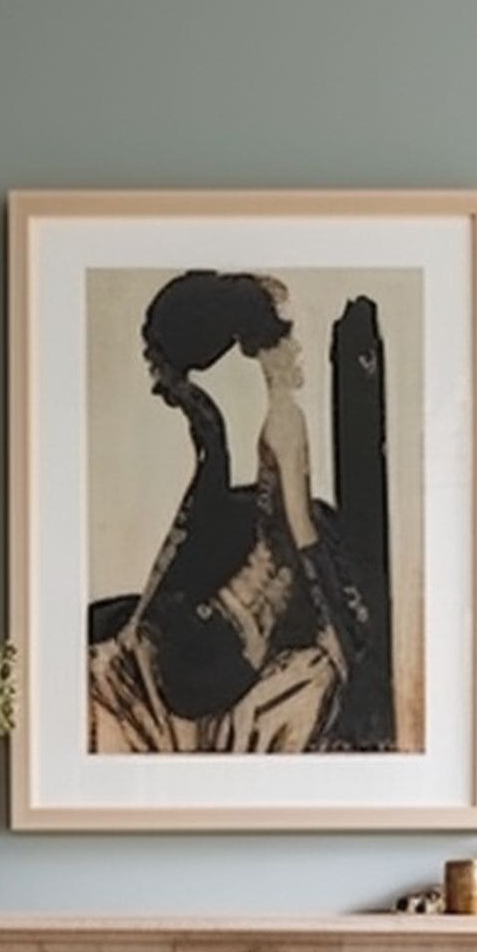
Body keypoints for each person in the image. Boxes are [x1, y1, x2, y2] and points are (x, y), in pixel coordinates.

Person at [88, 270, 380, 754]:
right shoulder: (272, 422)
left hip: (241, 624)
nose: (294, 347)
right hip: (234, 627)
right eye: (284, 336)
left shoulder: (261, 424)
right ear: (254, 350)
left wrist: (337, 618)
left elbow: (297, 534)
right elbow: (295, 532)